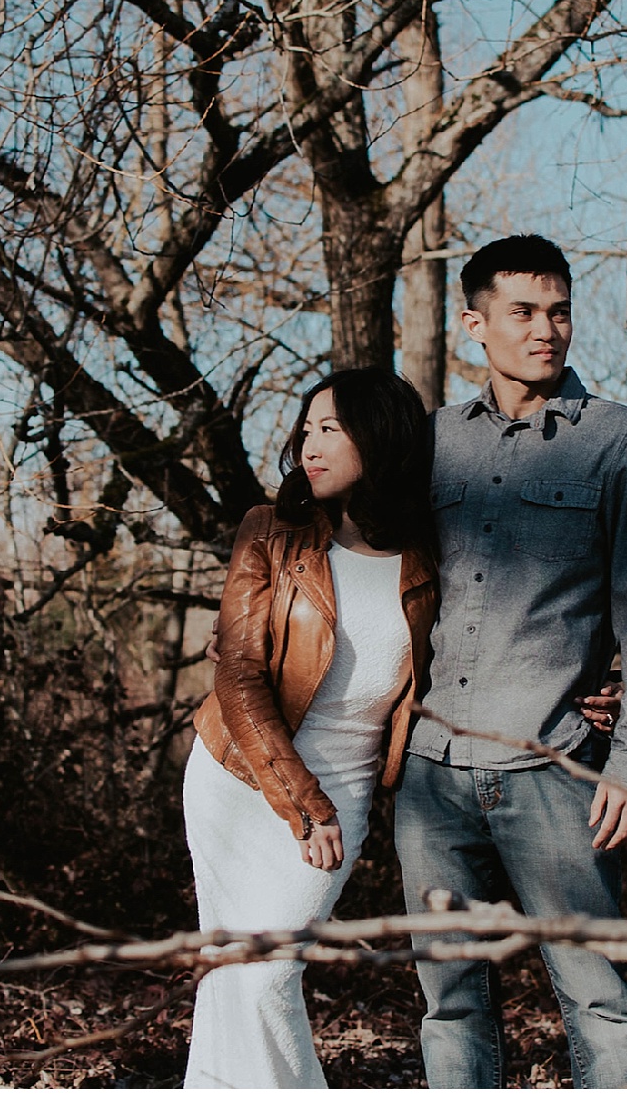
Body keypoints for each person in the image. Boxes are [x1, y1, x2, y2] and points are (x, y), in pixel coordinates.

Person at [396, 233, 627, 1088]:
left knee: (597, 995)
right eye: (524, 312)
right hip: (432, 774)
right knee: (450, 1001)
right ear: (475, 322)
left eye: (559, 310)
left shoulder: (618, 440)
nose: (547, 329)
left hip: (554, 763)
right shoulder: (434, 440)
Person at [184, 367, 438, 1088]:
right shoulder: (272, 530)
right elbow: (237, 676)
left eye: (331, 427)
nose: (309, 442)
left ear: (379, 437)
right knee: (228, 968)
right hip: (238, 776)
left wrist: (593, 684)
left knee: (264, 975)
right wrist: (304, 803)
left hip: (346, 788)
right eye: (306, 427)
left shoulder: (428, 554)